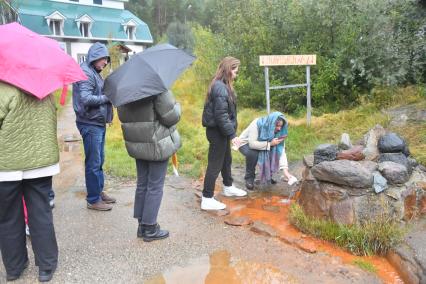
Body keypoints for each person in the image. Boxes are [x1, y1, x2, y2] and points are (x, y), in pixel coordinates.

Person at [0, 82, 59, 282]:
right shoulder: (45, 90)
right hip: (41, 164)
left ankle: (14, 268)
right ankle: (46, 266)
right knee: (41, 212)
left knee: (8, 217)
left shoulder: (2, 90)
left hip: (6, 166)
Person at [117, 90, 181, 242]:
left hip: (137, 142)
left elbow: (123, 116)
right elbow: (171, 116)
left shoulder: (123, 90)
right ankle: (150, 228)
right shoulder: (156, 88)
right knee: (155, 186)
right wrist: (177, 105)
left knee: (143, 184)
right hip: (156, 143)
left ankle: (142, 225)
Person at [73, 42, 116, 211]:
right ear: (95, 57)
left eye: (107, 59)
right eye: (103, 59)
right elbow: (86, 98)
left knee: (99, 160)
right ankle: (93, 199)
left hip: (96, 122)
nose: (105, 62)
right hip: (89, 123)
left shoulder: (95, 72)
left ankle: (98, 192)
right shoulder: (86, 72)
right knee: (93, 162)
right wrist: (107, 97)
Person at [201, 56, 247, 211]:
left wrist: (230, 133)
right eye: (235, 71)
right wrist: (233, 135)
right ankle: (207, 198)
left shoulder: (223, 85)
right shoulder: (220, 88)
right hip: (217, 132)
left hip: (221, 132)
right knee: (215, 164)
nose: (236, 74)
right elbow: (221, 116)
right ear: (228, 70)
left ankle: (228, 186)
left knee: (226, 160)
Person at [238, 112, 298, 190]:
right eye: (277, 125)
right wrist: (269, 144)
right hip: (245, 143)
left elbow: (281, 151)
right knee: (253, 153)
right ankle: (249, 178)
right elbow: (252, 144)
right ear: (271, 123)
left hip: (261, 144)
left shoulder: (279, 132)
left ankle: (267, 176)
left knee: (273, 149)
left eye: (281, 126)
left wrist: (286, 172)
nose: (279, 128)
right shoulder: (257, 123)